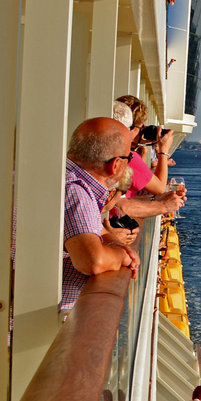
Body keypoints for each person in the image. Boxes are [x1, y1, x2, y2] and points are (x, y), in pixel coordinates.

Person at [63, 118, 142, 313]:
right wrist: (122, 256)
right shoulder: (77, 192)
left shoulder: (62, 176)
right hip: (41, 330)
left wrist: (116, 244)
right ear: (116, 165)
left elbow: (96, 229)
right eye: (128, 158)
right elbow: (93, 261)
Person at [110, 97, 185, 220]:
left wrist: (162, 197)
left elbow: (129, 197)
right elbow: (159, 188)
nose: (142, 131)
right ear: (130, 127)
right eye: (141, 127)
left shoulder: (114, 153)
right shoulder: (128, 157)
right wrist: (163, 151)